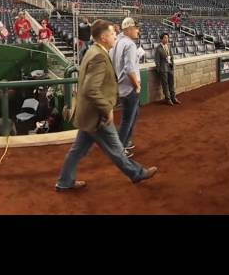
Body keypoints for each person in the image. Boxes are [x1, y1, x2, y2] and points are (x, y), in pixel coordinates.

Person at [55, 20, 158, 191]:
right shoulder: (98, 56)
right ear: (103, 37)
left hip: (88, 114)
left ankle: (64, 182)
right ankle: (137, 173)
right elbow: (90, 89)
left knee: (77, 151)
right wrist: (106, 109)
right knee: (116, 148)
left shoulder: (93, 51)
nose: (115, 36)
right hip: (96, 115)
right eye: (112, 33)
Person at [109, 17, 141, 158]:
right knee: (127, 119)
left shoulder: (117, 42)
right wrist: (137, 85)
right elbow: (129, 69)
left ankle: (125, 142)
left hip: (121, 86)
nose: (137, 30)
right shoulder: (129, 44)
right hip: (129, 88)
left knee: (133, 115)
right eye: (135, 28)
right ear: (128, 29)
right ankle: (119, 149)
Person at [155, 33, 181, 106]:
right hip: (163, 69)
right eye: (165, 38)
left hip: (170, 67)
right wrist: (159, 69)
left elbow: (171, 56)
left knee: (171, 83)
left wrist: (172, 64)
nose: (167, 39)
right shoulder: (158, 48)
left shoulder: (168, 46)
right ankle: (168, 99)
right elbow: (157, 60)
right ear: (161, 39)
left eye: (167, 38)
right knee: (165, 84)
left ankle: (174, 98)